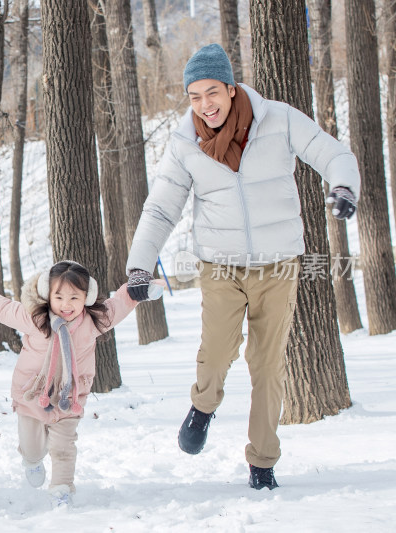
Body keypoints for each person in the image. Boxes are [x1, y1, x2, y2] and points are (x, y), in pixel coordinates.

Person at [124, 44, 360, 490]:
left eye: (211, 92)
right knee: (216, 352)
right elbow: (161, 209)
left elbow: (333, 154)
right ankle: (204, 405)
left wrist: (344, 186)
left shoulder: (279, 119)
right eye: (194, 97)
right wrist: (139, 266)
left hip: (280, 263)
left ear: (231, 90)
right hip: (220, 264)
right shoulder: (185, 141)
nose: (204, 105)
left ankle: (263, 461)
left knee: (267, 365)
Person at [0, 261, 143, 506]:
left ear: (87, 297)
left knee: (64, 446)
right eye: (59, 297)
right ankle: (32, 460)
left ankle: (62, 489)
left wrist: (137, 290)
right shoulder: (34, 319)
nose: (67, 305)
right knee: (32, 448)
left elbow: (119, 305)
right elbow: (2, 308)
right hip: (32, 396)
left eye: (75, 297)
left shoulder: (93, 321)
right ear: (47, 295)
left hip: (69, 399)